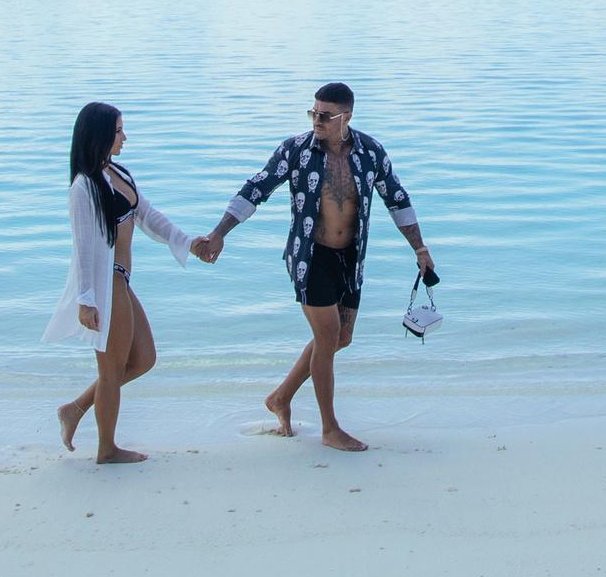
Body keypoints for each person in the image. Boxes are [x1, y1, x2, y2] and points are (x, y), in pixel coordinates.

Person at [192, 82, 435, 452]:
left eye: (325, 115)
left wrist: (420, 248)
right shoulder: (295, 151)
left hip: (350, 259)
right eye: (313, 113)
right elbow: (255, 189)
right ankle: (330, 429)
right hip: (310, 256)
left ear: (346, 117)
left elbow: (397, 200)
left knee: (341, 338)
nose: (316, 121)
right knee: (327, 336)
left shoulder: (371, 152)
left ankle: (281, 397)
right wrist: (219, 232)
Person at [46, 101, 197, 464]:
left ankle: (75, 409)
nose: (124, 138)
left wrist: (189, 242)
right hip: (105, 284)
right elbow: (83, 247)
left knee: (143, 359)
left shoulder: (119, 174)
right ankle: (106, 449)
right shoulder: (84, 187)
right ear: (100, 136)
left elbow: (147, 216)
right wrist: (86, 299)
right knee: (111, 371)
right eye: (118, 132)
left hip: (122, 283)